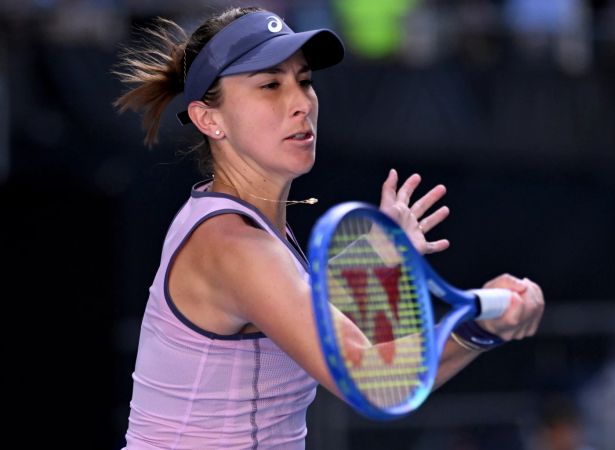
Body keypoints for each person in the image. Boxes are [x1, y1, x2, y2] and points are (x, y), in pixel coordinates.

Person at [113, 7, 545, 449]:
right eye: (270, 85)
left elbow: (294, 302)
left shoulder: (251, 230)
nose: (300, 102)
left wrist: (373, 254)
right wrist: (480, 328)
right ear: (210, 119)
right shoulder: (233, 244)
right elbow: (373, 379)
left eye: (304, 81)